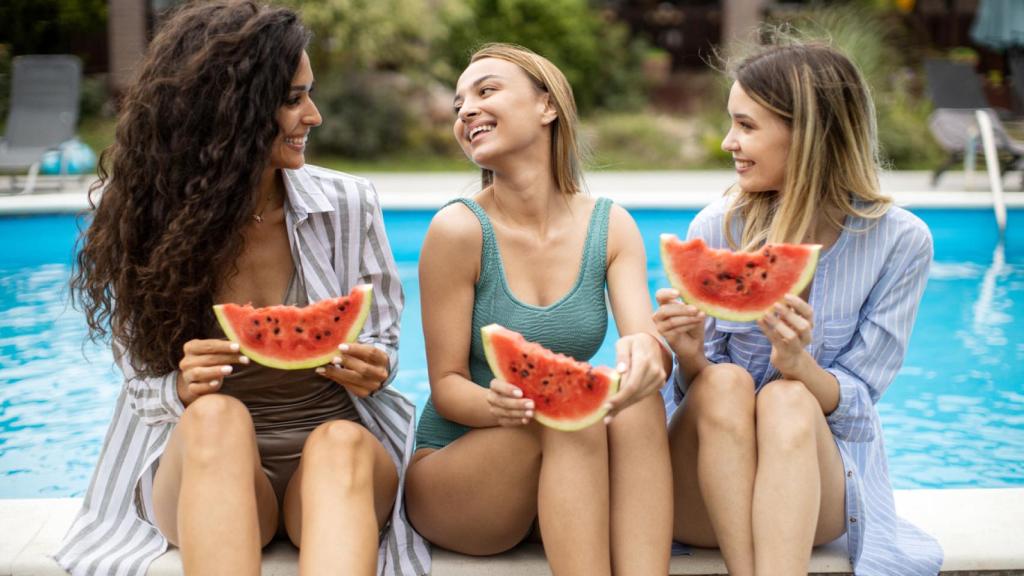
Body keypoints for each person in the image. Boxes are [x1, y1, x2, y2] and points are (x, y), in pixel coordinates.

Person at [56, 2, 428, 575]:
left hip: (333, 459)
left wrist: (377, 364)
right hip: (205, 463)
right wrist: (179, 387)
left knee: (342, 444)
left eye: (311, 93)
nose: (315, 115)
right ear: (231, 110)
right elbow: (139, 385)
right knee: (215, 419)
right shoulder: (145, 218)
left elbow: (383, 338)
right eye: (293, 99)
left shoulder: (350, 204)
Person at [654, 42, 943, 575]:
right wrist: (691, 355)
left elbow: (859, 404)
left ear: (808, 133)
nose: (728, 143)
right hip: (702, 496)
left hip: (813, 494)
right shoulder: (716, 227)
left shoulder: (901, 241)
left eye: (746, 125)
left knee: (789, 398)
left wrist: (799, 365)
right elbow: (700, 398)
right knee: (723, 383)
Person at [402, 43, 673, 575]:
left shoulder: (610, 225)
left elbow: (645, 346)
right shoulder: (457, 230)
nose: (465, 111)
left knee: (638, 405)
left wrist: (647, 354)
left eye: (486, 91)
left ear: (547, 107)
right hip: (462, 475)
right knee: (567, 415)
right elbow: (448, 387)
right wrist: (503, 407)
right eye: (459, 103)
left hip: (569, 471)